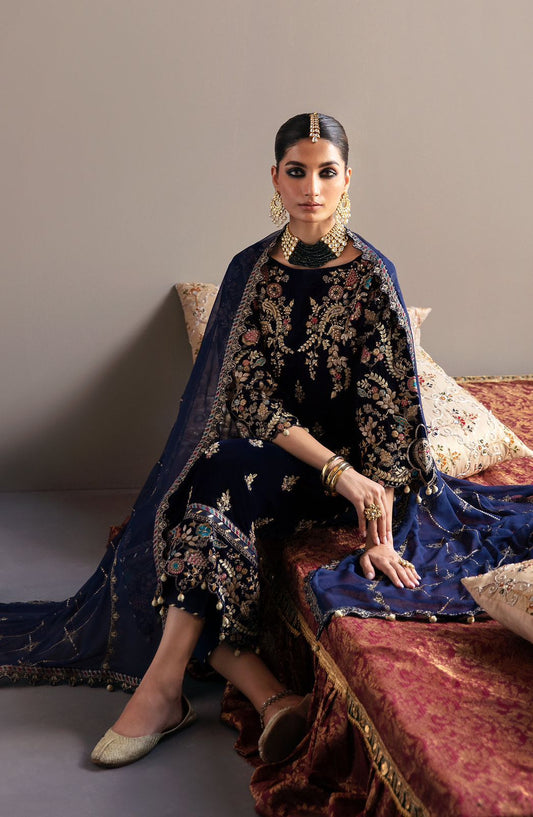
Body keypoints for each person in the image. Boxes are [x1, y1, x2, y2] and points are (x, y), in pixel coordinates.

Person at [1, 113, 532, 769]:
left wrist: (379, 531)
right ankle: (260, 694)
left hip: (361, 476)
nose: (311, 186)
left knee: (207, 487)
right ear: (274, 179)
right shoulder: (251, 269)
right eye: (296, 171)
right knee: (210, 479)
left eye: (326, 171)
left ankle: (172, 693)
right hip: (296, 463)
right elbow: (246, 397)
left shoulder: (371, 274)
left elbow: (390, 411)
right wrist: (336, 470)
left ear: (347, 180)